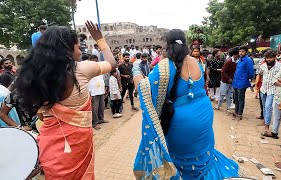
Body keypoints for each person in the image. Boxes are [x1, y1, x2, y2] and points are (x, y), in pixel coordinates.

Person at [13, 21, 117, 179]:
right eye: (77, 47)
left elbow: (41, 116)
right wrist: (100, 39)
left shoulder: (36, 78)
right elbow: (112, 63)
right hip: (77, 147)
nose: (80, 50)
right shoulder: (82, 69)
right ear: (67, 49)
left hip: (51, 151)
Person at [132, 29, 238, 179]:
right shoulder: (196, 61)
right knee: (203, 155)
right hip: (205, 113)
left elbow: (143, 89)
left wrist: (135, 69)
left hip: (183, 123)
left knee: (182, 163)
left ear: (167, 45)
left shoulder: (165, 66)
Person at [258, 50, 281, 133]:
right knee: (265, 107)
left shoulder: (280, 67)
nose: (269, 59)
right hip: (263, 89)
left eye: (271, 58)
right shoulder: (263, 66)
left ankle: (267, 126)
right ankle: (266, 121)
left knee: (268, 107)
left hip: (273, 90)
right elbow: (260, 74)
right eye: (267, 58)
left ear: (275, 58)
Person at [232, 45, 255, 120]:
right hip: (236, 82)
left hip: (242, 82)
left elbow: (251, 72)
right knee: (235, 98)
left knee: (241, 99)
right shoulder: (239, 60)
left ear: (246, 52)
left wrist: (248, 80)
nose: (241, 53)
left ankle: (240, 113)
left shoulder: (248, 60)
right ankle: (236, 111)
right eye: (240, 51)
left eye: (242, 51)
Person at [88, 55, 109, 130]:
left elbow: (102, 80)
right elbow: (87, 83)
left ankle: (101, 119)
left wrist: (105, 88)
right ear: (90, 61)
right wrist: (89, 93)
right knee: (94, 108)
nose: (95, 62)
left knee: (101, 106)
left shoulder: (100, 70)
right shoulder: (88, 70)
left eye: (96, 61)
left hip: (101, 91)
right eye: (93, 61)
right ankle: (95, 123)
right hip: (93, 92)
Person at [215, 47, 238, 112]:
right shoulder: (228, 61)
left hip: (232, 81)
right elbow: (223, 71)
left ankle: (228, 108)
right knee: (222, 94)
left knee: (229, 95)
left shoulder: (237, 62)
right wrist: (228, 78)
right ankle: (218, 106)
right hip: (225, 81)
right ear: (235, 54)